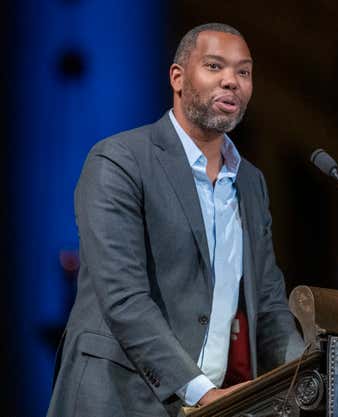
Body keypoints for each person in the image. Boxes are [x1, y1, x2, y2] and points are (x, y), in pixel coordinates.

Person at [47, 23, 304, 417]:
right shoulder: (119, 160)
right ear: (178, 78)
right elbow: (123, 297)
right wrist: (201, 392)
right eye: (215, 67)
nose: (231, 82)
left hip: (208, 406)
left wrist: (308, 383)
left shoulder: (250, 183)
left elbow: (269, 306)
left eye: (243, 72)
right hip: (114, 400)